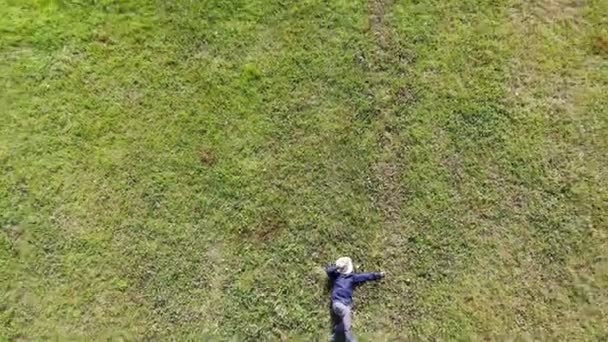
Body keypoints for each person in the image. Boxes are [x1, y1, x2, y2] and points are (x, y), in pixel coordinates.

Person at [326, 257, 385, 342]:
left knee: (342, 323)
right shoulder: (336, 276)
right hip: (337, 303)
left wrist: (378, 275)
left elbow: (365, 276)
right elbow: (328, 271)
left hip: (347, 305)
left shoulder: (352, 277)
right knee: (346, 315)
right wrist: (338, 267)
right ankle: (349, 338)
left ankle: (335, 337)